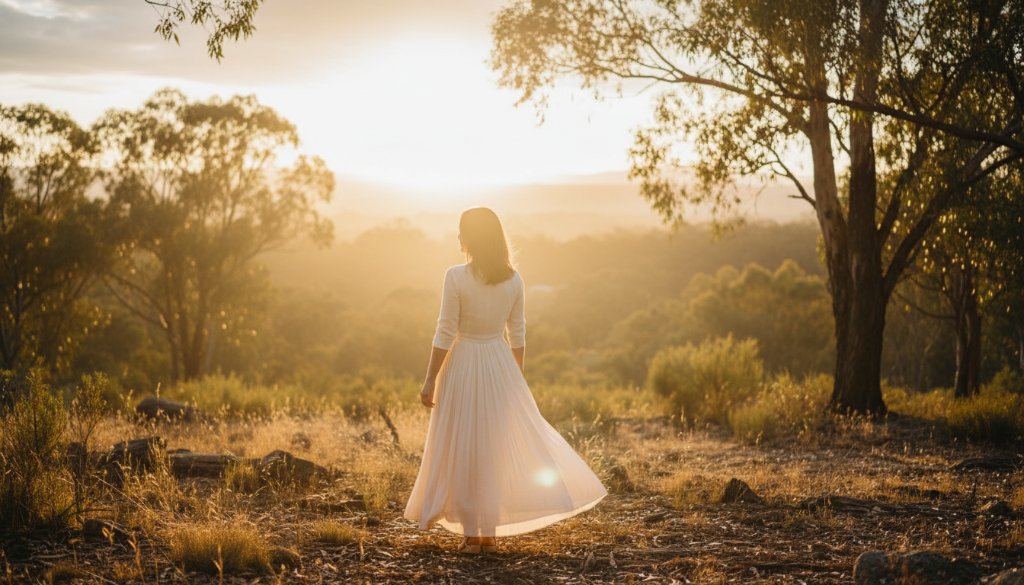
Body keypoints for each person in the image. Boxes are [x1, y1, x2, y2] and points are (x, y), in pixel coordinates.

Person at [404, 207, 607, 554]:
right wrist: (515, 377)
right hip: (499, 363)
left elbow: (445, 331)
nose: (457, 237)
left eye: (460, 231)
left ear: (471, 238)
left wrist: (429, 379)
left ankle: (474, 535)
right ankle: (488, 533)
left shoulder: (455, 276)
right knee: (491, 448)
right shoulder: (514, 279)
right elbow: (518, 333)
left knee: (467, 446)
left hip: (465, 362)